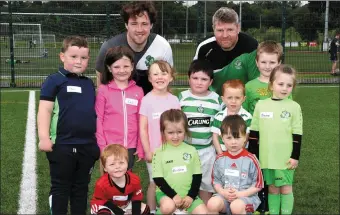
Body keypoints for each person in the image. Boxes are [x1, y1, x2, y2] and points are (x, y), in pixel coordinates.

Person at [37, 35, 100, 215]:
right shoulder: (54, 81)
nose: (79, 61)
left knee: (81, 189)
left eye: (83, 57)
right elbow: (45, 111)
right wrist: (43, 138)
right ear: (62, 56)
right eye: (73, 57)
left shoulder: (88, 84)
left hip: (87, 146)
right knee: (61, 189)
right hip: (62, 145)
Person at [248, 65, 303, 215]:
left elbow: (297, 134)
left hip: (285, 158)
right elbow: (254, 132)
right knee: (272, 187)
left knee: (285, 187)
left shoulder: (294, 107)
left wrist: (295, 157)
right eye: (281, 84)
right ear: (271, 84)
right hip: (266, 157)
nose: (285, 88)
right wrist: (253, 156)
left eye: (289, 85)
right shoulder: (261, 105)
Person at [242, 41, 283, 214]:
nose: (267, 66)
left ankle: (272, 204)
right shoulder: (250, 86)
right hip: (255, 138)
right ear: (257, 63)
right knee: (256, 170)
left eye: (272, 62)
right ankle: (258, 202)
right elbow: (244, 114)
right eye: (264, 62)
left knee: (273, 172)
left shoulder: (281, 85)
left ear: (279, 63)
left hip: (276, 138)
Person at [96, 1, 173, 94]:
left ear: (151, 25)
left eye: (144, 24)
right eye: (134, 23)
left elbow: (167, 82)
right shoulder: (109, 47)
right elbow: (101, 81)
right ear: (126, 25)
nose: (139, 29)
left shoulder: (163, 47)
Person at [178, 59, 223, 204]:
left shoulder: (216, 100)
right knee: (184, 180)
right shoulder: (182, 98)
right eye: (195, 78)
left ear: (210, 82)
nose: (199, 82)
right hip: (185, 149)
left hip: (207, 150)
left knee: (206, 182)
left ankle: (204, 207)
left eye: (204, 79)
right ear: (188, 78)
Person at [139, 60, 180, 214]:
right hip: (155, 153)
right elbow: (143, 129)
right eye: (155, 74)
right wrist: (148, 151)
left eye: (164, 73)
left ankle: (173, 208)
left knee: (173, 179)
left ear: (171, 77)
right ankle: (152, 210)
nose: (160, 77)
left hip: (173, 150)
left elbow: (179, 126)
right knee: (154, 182)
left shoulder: (174, 100)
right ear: (149, 78)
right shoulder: (146, 100)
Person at [95, 46, 144, 173]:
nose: (122, 70)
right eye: (116, 67)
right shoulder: (103, 90)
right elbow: (98, 119)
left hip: (130, 146)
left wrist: (139, 144)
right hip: (110, 146)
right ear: (109, 68)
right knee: (110, 182)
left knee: (127, 179)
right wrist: (102, 146)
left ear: (132, 66)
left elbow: (141, 120)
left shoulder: (138, 91)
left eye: (126, 66)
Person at [152, 109, 209, 214]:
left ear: (185, 130)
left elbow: (197, 177)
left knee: (204, 213)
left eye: (179, 132)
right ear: (163, 132)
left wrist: (191, 196)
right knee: (168, 207)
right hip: (167, 195)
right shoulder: (159, 152)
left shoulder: (191, 150)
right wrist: (174, 196)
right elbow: (158, 179)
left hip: (188, 195)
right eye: (170, 132)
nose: (175, 136)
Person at [193, 7, 258, 95]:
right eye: (220, 30)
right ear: (213, 29)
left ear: (238, 28)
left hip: (242, 100)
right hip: (214, 98)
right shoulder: (204, 48)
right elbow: (196, 78)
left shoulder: (251, 46)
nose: (225, 35)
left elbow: (256, 82)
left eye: (230, 30)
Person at [207, 115, 263, 215]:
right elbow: (216, 181)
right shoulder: (220, 159)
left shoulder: (251, 159)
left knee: (236, 207)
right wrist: (223, 192)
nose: (233, 142)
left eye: (237, 137)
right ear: (222, 138)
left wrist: (239, 194)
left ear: (245, 137)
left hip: (245, 197)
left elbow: (258, 185)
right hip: (225, 196)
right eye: (229, 138)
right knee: (212, 204)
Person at [90, 144, 150, 215]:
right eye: (112, 164)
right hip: (107, 206)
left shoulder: (134, 179)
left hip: (125, 205)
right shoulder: (101, 183)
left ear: (127, 163)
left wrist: (135, 213)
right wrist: (118, 212)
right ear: (105, 168)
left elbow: (136, 197)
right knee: (104, 213)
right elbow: (100, 200)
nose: (117, 167)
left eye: (121, 163)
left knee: (145, 209)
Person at [211, 79, 252, 154]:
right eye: (229, 97)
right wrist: (221, 154)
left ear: (243, 99)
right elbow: (215, 137)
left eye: (237, 98)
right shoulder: (219, 117)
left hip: (241, 154)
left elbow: (246, 138)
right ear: (223, 99)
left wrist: (237, 154)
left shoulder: (247, 117)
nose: (233, 101)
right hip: (222, 152)